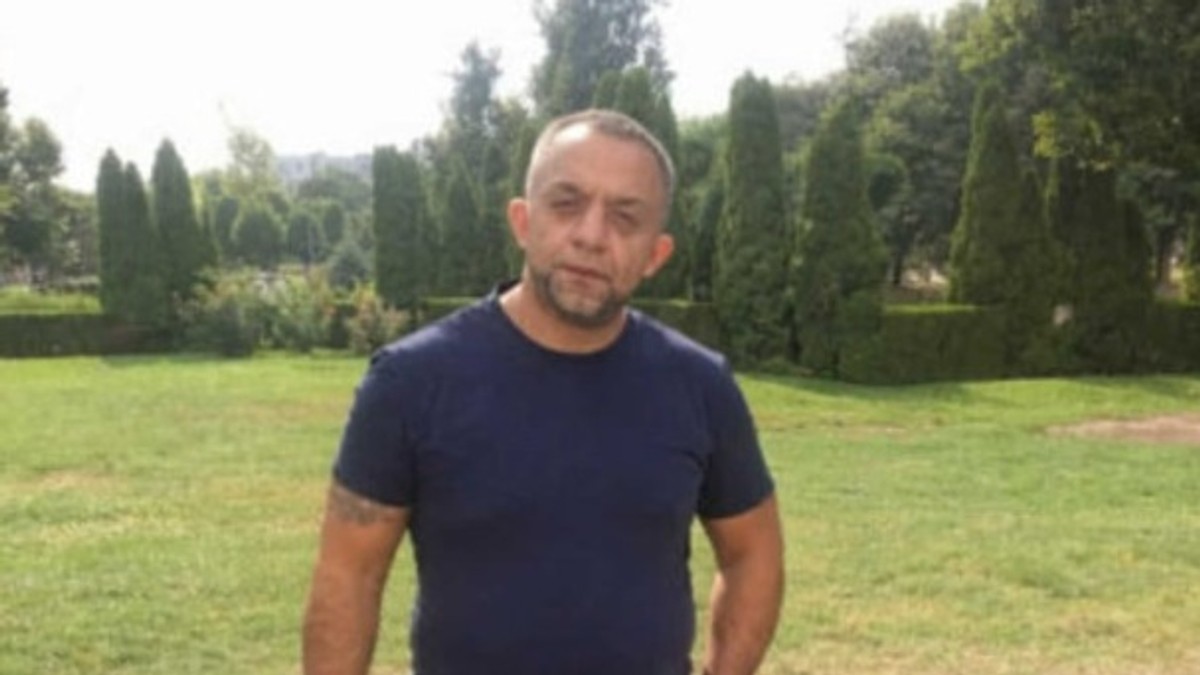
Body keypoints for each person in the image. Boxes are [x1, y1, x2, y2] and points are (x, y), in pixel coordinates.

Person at [302, 109, 784, 675]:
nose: (591, 236)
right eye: (566, 204)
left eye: (625, 218)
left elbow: (753, 552)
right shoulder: (411, 382)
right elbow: (350, 577)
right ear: (523, 221)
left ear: (656, 255)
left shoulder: (700, 386)